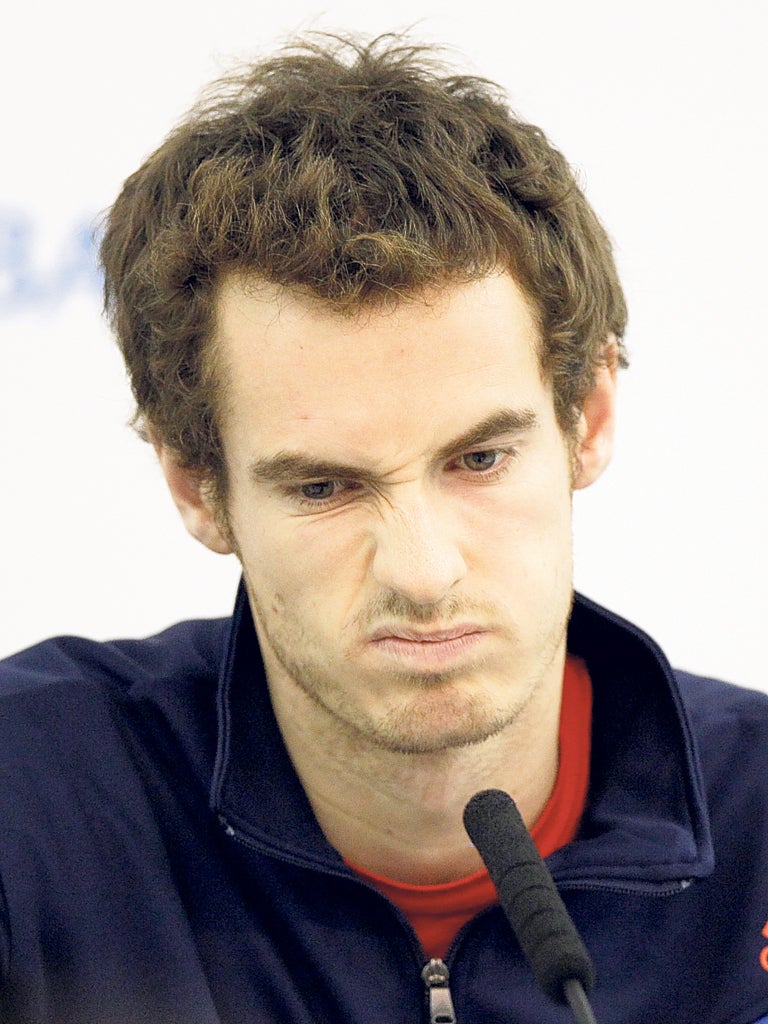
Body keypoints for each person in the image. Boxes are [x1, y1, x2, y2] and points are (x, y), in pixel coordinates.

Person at [1, 33, 767, 1024]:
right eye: (325, 488)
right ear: (196, 485)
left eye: (479, 460)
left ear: (592, 418)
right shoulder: (31, 808)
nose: (424, 569)